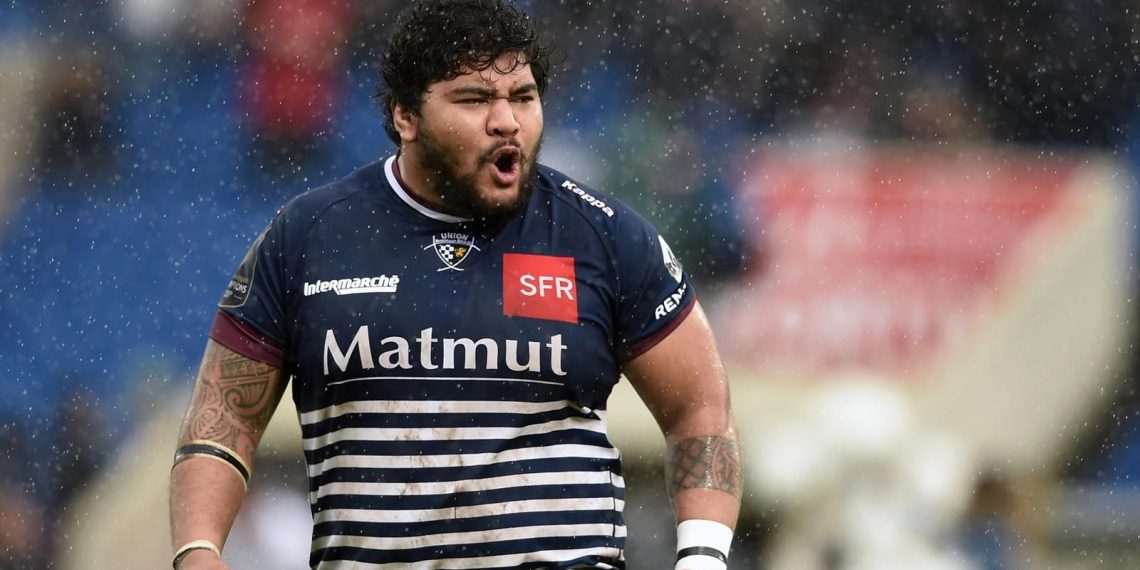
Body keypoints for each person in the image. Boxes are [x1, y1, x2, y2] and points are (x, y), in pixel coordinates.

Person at [168, 1, 742, 568]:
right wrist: (198, 552)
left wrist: (703, 557)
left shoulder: (606, 237)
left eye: (523, 97)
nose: (506, 120)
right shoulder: (307, 237)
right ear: (405, 116)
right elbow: (225, 415)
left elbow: (700, 408)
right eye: (474, 99)